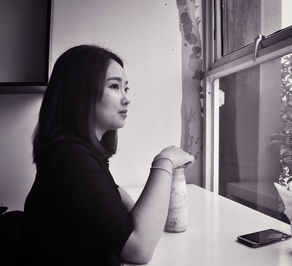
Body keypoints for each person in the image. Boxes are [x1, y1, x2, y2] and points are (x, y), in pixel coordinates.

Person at [19, 45, 194, 266]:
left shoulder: (74, 152)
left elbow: (114, 195)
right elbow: (140, 249)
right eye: (114, 86)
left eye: (126, 89)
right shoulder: (70, 159)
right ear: (79, 92)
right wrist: (165, 161)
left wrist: (140, 218)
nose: (126, 99)